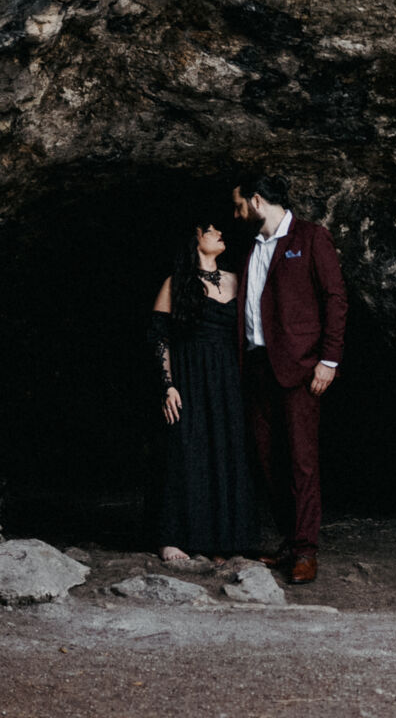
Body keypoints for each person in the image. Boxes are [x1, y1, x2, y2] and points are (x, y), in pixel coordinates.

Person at [232, 173, 347, 584]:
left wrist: (328, 360)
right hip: (257, 366)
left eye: (238, 205)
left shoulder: (311, 237)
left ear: (256, 200)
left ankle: (305, 550)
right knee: (268, 459)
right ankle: (289, 540)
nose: (236, 214)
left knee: (301, 460)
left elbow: (335, 298)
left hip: (300, 367)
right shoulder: (252, 246)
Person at [148, 221, 262, 563]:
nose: (219, 233)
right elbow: (159, 337)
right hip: (190, 376)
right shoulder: (175, 283)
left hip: (228, 378)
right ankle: (173, 538)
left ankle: (223, 543)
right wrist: (168, 386)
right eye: (210, 231)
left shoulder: (237, 279)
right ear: (195, 239)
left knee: (228, 452)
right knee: (187, 451)